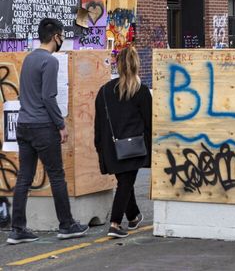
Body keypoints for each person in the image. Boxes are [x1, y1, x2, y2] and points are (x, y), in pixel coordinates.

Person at [8, 19, 89, 244]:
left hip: (24, 125)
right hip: (43, 126)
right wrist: (60, 125)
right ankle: (67, 225)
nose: (62, 40)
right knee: (57, 176)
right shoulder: (50, 62)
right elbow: (48, 97)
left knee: (24, 177)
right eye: (62, 36)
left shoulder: (29, 58)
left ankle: (18, 229)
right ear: (56, 37)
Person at [94, 46, 151, 238]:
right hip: (133, 147)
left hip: (110, 146)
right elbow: (149, 121)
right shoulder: (141, 91)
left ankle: (133, 216)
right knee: (125, 183)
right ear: (137, 66)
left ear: (117, 65)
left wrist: (99, 147)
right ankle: (115, 223)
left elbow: (99, 123)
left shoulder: (104, 91)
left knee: (125, 181)